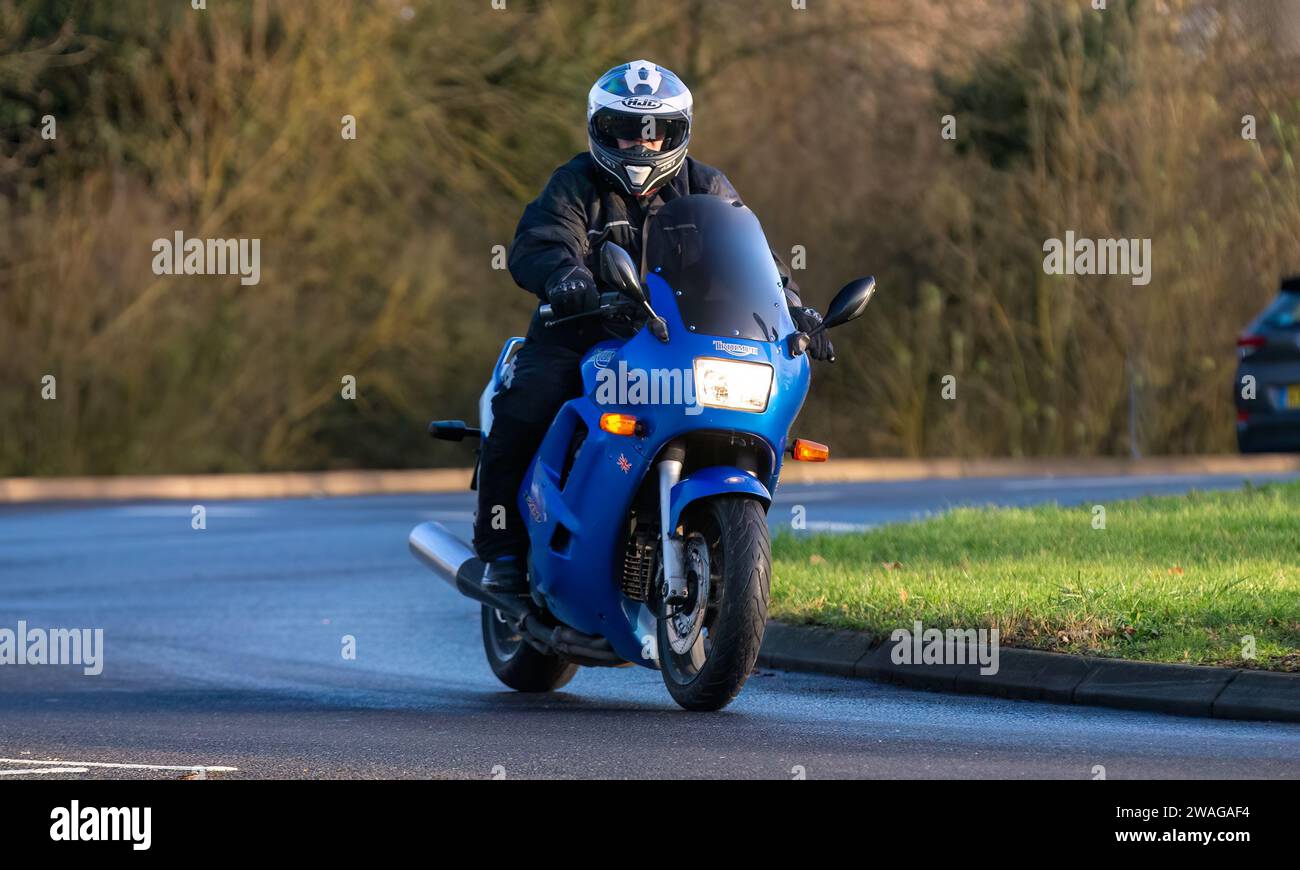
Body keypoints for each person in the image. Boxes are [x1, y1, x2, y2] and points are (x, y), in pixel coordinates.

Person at [474, 59, 834, 593]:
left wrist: (793, 310)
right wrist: (565, 274)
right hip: (581, 335)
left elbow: (757, 264)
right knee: (528, 405)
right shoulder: (576, 183)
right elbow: (539, 240)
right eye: (626, 129)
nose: (641, 145)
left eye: (656, 131)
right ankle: (501, 550)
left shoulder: (707, 187)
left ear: (677, 131)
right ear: (600, 128)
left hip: (679, 346)